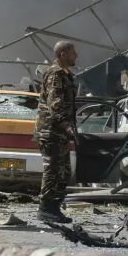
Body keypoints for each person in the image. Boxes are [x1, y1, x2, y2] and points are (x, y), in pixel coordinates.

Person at [34, 40, 78, 224]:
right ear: (62, 54)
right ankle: (45, 209)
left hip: (60, 132)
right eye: (73, 52)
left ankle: (54, 207)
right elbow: (55, 104)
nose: (76, 56)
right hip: (50, 130)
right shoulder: (55, 75)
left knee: (64, 172)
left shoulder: (66, 75)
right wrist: (66, 126)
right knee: (52, 171)